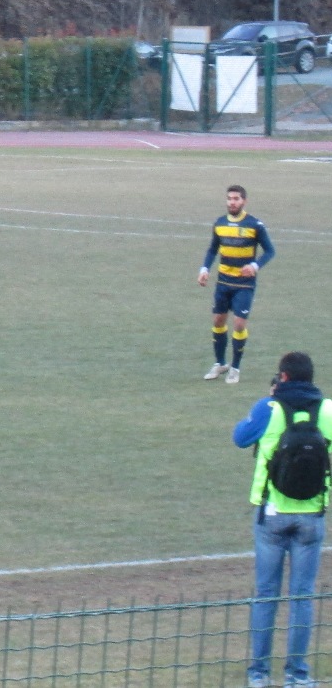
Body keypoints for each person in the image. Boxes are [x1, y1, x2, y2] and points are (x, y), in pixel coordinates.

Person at [233, 351, 332, 688]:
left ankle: (259, 673)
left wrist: (269, 399)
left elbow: (240, 437)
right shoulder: (328, 410)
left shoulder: (268, 408)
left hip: (271, 515)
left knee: (266, 593)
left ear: (284, 377)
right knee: (302, 596)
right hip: (312, 515)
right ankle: (297, 674)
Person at [200, 184, 276, 384]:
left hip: (244, 284)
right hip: (223, 282)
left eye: (236, 199)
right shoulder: (219, 223)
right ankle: (220, 363)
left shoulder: (255, 225)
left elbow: (270, 251)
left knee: (239, 324)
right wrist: (204, 269)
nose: (232, 202)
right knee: (218, 321)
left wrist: (255, 265)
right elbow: (212, 249)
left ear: (244, 201)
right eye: (229, 198)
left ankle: (235, 368)